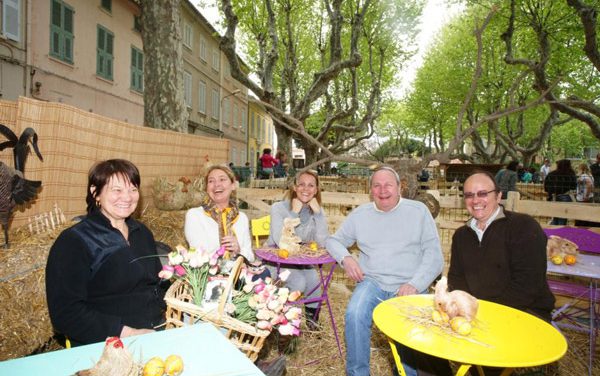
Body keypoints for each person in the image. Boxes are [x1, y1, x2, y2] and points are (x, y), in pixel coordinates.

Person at [326, 165, 444, 376]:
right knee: (354, 313)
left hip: (410, 284)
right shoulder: (361, 215)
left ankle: (409, 373)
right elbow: (333, 241)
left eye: (388, 185)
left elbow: (435, 257)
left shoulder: (418, 212)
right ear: (370, 190)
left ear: (400, 187)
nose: (383, 190)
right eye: (377, 186)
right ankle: (357, 372)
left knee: (407, 330)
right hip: (373, 281)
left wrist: (415, 284)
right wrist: (346, 259)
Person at [46, 159, 168, 346]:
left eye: (133, 189)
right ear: (96, 193)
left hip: (155, 330)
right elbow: (66, 312)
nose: (127, 197)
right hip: (107, 344)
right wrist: (125, 333)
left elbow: (157, 284)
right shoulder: (75, 241)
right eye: (117, 190)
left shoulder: (142, 232)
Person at [448, 171, 555, 374]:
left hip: (524, 313)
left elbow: (527, 285)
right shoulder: (461, 236)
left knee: (495, 361)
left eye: (482, 193)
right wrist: (465, 310)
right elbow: (456, 278)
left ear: (498, 196)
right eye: (469, 195)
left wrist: (486, 315)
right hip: (477, 315)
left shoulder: (524, 227)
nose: (475, 200)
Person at [266, 170, 328, 327]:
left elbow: (322, 242)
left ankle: (312, 324)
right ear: (294, 187)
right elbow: (280, 241)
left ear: (316, 190)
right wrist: (294, 213)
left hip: (300, 261)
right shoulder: (279, 208)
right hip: (277, 260)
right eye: (301, 184)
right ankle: (285, 325)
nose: (305, 189)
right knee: (299, 282)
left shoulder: (316, 212)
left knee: (313, 280)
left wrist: (319, 215)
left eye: (311, 185)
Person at [185, 165, 255, 263]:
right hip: (209, 275)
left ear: (233, 185)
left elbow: (251, 257)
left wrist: (238, 250)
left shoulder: (241, 218)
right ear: (207, 188)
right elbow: (198, 256)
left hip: (239, 273)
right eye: (211, 181)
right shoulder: (195, 215)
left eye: (222, 179)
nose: (217, 184)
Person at [544, 159, 577, 225]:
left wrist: (551, 192)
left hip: (553, 197)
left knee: (555, 216)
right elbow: (574, 186)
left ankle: (554, 232)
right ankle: (560, 232)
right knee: (563, 217)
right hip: (565, 196)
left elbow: (546, 186)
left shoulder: (551, 174)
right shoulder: (571, 174)